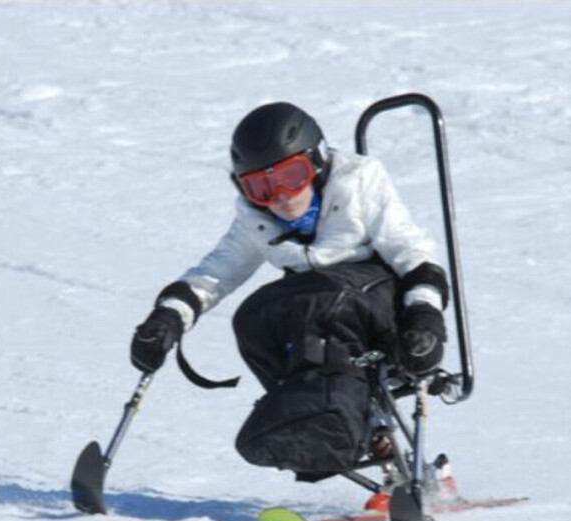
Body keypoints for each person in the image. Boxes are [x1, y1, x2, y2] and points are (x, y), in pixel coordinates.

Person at [130, 102, 449, 477]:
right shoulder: (257, 220)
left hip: (380, 308)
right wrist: (168, 316)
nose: (280, 196)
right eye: (261, 187)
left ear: (317, 162)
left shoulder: (358, 182)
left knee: (320, 304)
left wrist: (425, 316)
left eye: (291, 176)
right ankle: (310, 416)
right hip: (317, 313)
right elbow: (215, 273)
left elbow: (412, 252)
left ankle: (345, 419)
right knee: (256, 317)